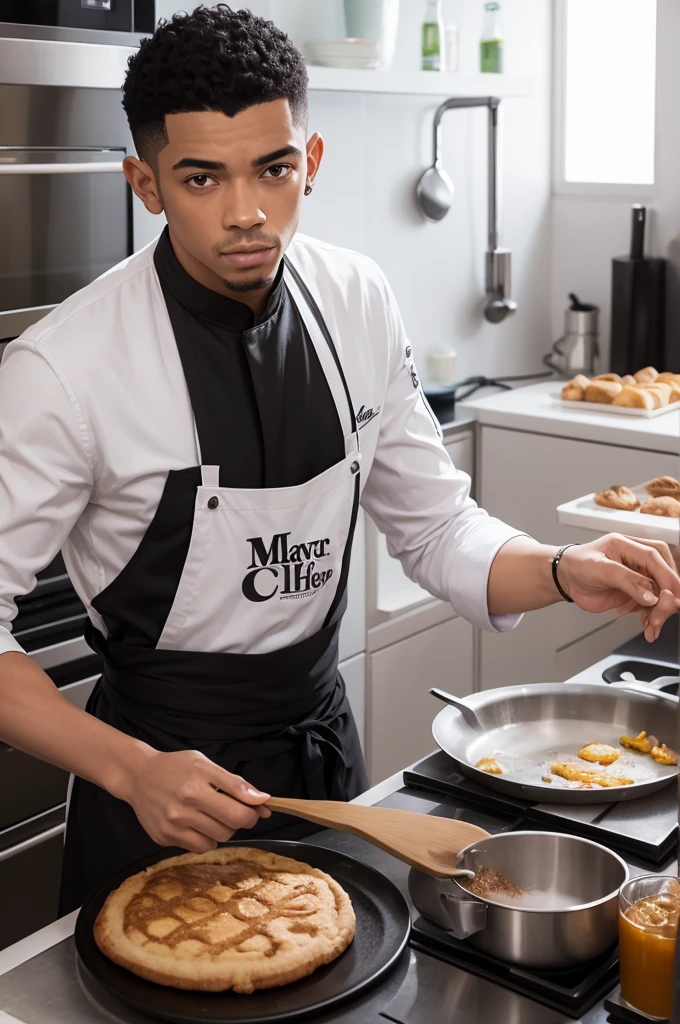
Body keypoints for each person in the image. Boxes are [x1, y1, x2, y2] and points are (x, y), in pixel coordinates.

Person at [0, 5, 678, 914]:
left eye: (273, 169)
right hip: (157, 788)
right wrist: (130, 770)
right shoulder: (64, 367)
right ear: (146, 184)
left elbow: (435, 526)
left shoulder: (357, 298)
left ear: (310, 162)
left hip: (326, 762)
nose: (246, 213)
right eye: (201, 178)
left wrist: (561, 570)